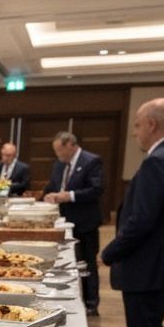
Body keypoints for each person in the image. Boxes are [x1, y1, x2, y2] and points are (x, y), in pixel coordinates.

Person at [100, 98, 164, 327]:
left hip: (149, 268)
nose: (135, 133)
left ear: (154, 125)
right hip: (159, 266)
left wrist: (110, 251)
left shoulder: (158, 160)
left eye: (138, 125)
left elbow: (142, 220)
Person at [43, 131, 105, 315]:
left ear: (71, 144)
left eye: (60, 150)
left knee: (87, 263)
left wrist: (69, 196)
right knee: (67, 262)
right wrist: (47, 195)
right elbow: (53, 186)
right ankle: (67, 299)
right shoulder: (59, 165)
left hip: (85, 221)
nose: (58, 155)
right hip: (63, 222)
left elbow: (97, 189)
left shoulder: (92, 161)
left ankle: (91, 302)